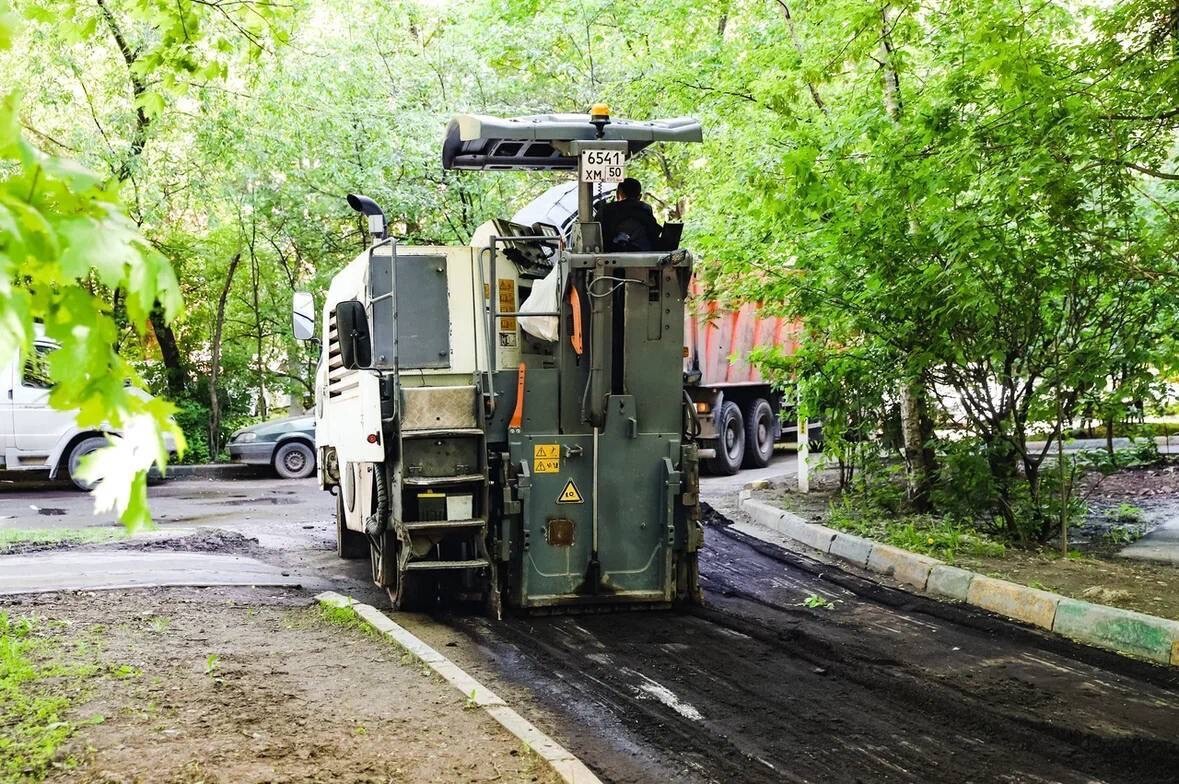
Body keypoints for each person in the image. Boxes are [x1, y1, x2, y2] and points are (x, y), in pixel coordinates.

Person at [594, 177, 663, 252]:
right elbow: (654, 232)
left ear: (618, 194)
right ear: (639, 196)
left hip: (612, 253)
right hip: (644, 253)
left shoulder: (606, 209)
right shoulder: (645, 209)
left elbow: (595, 233)